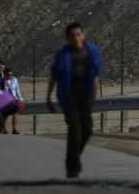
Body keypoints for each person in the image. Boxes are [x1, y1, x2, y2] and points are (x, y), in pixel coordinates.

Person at [47, 22, 102, 179]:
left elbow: (96, 75)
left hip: (85, 95)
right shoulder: (62, 55)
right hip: (68, 95)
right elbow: (54, 76)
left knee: (87, 130)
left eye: (78, 34)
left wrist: (94, 94)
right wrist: (48, 98)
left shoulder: (92, 51)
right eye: (72, 35)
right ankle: (73, 167)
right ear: (67, 38)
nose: (76, 38)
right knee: (74, 129)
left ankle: (73, 158)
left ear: (83, 35)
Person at [2, 68, 23, 135]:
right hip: (6, 100)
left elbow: (17, 89)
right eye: (8, 75)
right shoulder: (2, 81)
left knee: (15, 114)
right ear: (5, 75)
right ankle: (5, 130)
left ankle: (14, 129)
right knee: (6, 115)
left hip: (14, 99)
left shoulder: (15, 80)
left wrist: (20, 98)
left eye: (11, 74)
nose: (10, 76)